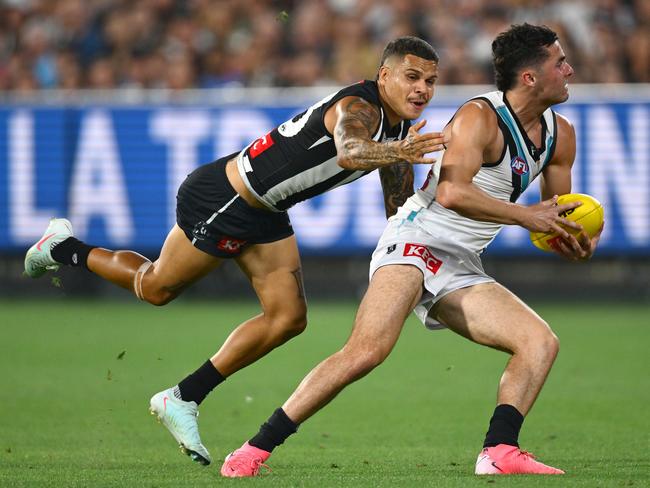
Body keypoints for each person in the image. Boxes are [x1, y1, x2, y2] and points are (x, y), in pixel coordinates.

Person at [24, 37, 447, 466]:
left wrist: (430, 234)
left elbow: (399, 212)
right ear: (384, 76)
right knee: (154, 287)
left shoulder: (398, 135)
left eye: (431, 81)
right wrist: (400, 152)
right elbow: (350, 149)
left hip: (266, 209)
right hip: (226, 199)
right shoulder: (360, 107)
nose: (422, 89)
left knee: (288, 319)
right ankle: (64, 248)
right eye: (412, 77)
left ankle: (183, 397)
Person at [220, 23, 602, 478]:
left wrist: (573, 243)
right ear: (530, 78)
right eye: (560, 63)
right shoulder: (481, 117)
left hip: (460, 261)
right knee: (367, 351)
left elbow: (556, 218)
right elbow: (452, 194)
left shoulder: (563, 136)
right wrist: (528, 216)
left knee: (539, 343)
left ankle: (499, 451)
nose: (570, 70)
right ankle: (255, 448)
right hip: (417, 240)